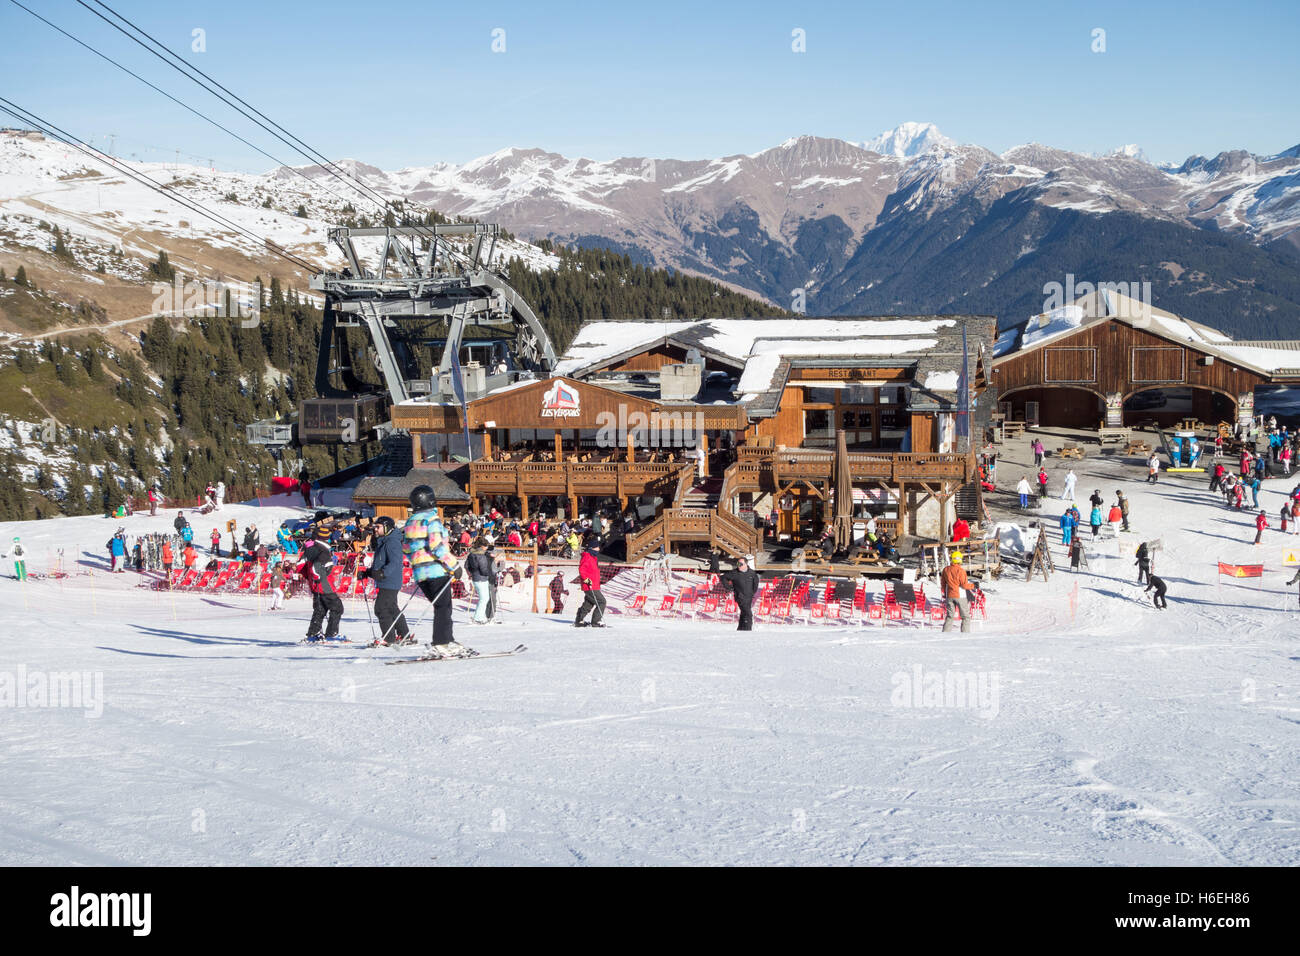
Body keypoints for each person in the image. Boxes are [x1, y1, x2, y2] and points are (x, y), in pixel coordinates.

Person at [403, 484, 469, 657]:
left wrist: (417, 562)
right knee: (443, 607)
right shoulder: (431, 520)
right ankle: (441, 642)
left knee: (441, 607)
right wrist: (454, 565)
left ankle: (447, 639)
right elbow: (437, 546)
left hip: (420, 573)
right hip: (435, 571)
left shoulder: (410, 522)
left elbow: (406, 548)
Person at [364, 516, 411, 645]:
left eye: (378, 527)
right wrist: (369, 572)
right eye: (375, 527)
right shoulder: (384, 541)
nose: (375, 530)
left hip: (390, 580)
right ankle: (404, 635)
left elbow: (395, 562)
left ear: (387, 527)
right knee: (391, 608)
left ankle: (389, 638)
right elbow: (381, 562)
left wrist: (382, 573)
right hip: (386, 580)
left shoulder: (392, 542)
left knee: (381, 608)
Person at [299, 526, 344, 642]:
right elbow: (316, 568)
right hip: (325, 585)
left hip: (315, 586)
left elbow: (300, 565)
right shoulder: (323, 550)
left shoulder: (310, 547)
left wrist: (309, 578)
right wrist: (318, 577)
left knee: (320, 610)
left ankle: (313, 634)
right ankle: (331, 634)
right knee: (337, 608)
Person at [573, 534, 607, 628]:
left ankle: (579, 620)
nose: (598, 549)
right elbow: (582, 570)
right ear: (592, 548)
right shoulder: (587, 557)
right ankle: (596, 621)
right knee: (602, 602)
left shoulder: (593, 557)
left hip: (594, 585)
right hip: (589, 585)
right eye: (597, 548)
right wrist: (587, 580)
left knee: (588, 604)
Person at [722, 554, 760, 631]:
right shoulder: (734, 573)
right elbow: (723, 577)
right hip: (740, 596)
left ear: (746, 564)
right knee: (748, 613)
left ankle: (740, 628)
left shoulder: (752, 573)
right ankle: (748, 629)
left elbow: (755, 583)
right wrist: (729, 588)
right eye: (738, 564)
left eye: (741, 564)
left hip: (749, 596)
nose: (739, 566)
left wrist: (752, 592)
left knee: (744, 613)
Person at [940, 550, 972, 633]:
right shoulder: (961, 571)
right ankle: (965, 634)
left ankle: (945, 633)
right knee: (965, 617)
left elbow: (943, 583)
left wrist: (944, 593)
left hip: (949, 595)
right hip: (960, 596)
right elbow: (964, 585)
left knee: (950, 616)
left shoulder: (946, 570)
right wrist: (973, 585)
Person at [466, 538, 494, 624]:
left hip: (476, 578)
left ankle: (481, 616)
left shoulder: (471, 554)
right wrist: (490, 573)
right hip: (481, 578)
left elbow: (466, 565)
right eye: (486, 546)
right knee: (484, 599)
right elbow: (483, 569)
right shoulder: (481, 556)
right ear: (482, 546)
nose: (487, 548)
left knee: (484, 598)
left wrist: (472, 573)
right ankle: (478, 617)